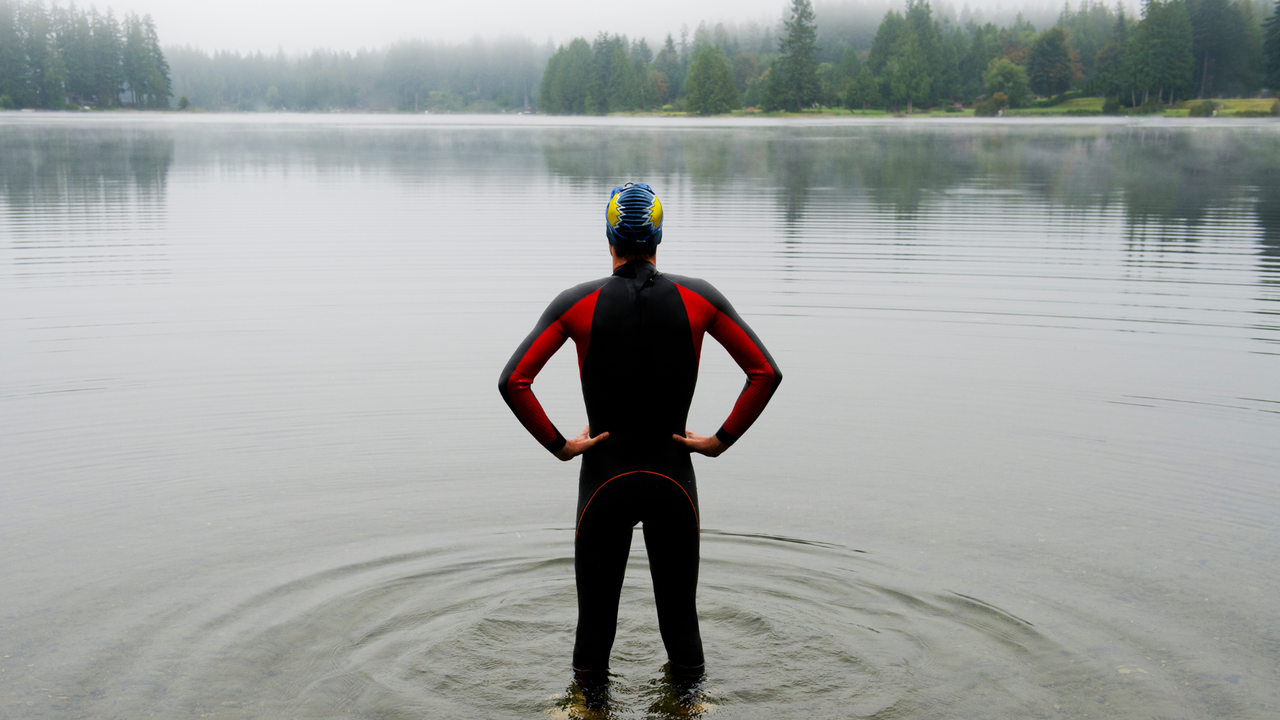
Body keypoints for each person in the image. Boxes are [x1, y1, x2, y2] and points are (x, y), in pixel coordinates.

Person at [498, 182, 782, 704]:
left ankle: (588, 710)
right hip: (673, 476)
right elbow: (764, 372)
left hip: (604, 479)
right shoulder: (700, 299)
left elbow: (514, 381)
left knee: (595, 632)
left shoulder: (576, 303)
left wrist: (561, 445)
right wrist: (719, 440)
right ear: (658, 237)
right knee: (682, 627)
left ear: (609, 238)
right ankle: (688, 710)